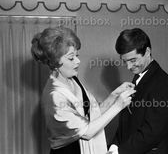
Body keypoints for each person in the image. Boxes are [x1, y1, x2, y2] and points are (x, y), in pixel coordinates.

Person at [30, 26, 136, 154]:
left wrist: (114, 95)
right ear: (55, 61)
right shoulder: (55, 95)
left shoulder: (73, 79)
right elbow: (87, 132)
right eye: (71, 58)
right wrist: (118, 106)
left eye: (77, 55)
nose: (78, 61)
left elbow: (93, 115)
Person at [108, 28, 168, 154]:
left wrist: (120, 151)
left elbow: (152, 133)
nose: (128, 67)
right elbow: (127, 122)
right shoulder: (139, 76)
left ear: (147, 52)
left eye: (133, 60)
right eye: (125, 61)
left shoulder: (163, 84)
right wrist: (114, 145)